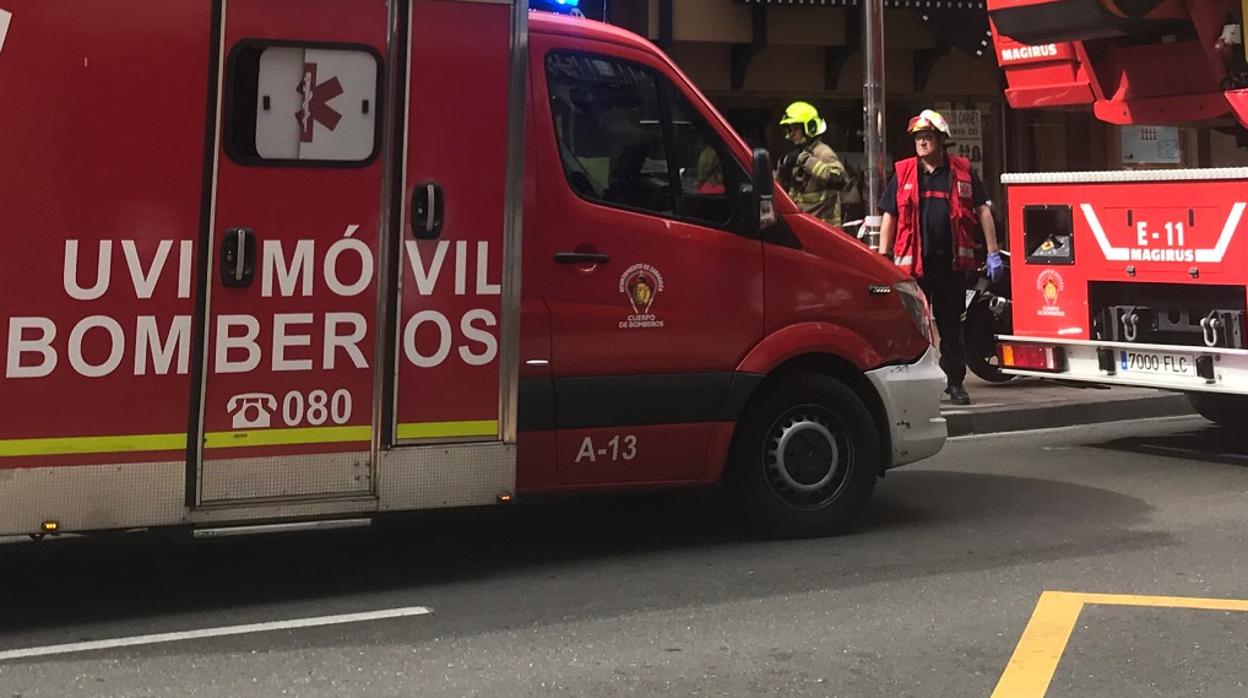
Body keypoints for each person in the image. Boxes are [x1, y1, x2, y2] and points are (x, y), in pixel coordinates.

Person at [876, 109, 1004, 406]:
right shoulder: (905, 172)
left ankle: (955, 383)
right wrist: (883, 257)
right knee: (912, 328)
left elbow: (983, 209)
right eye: (918, 137)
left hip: (950, 267)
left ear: (941, 140)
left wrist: (993, 251)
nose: (921, 142)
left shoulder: (962, 171)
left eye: (927, 136)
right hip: (914, 269)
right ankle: (913, 387)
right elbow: (890, 215)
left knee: (950, 327)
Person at [776, 101, 847, 227]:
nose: (791, 133)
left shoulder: (823, 152)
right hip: (803, 227)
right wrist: (782, 168)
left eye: (796, 128)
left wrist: (808, 162)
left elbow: (840, 180)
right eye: (789, 129)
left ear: (810, 127)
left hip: (824, 229)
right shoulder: (797, 155)